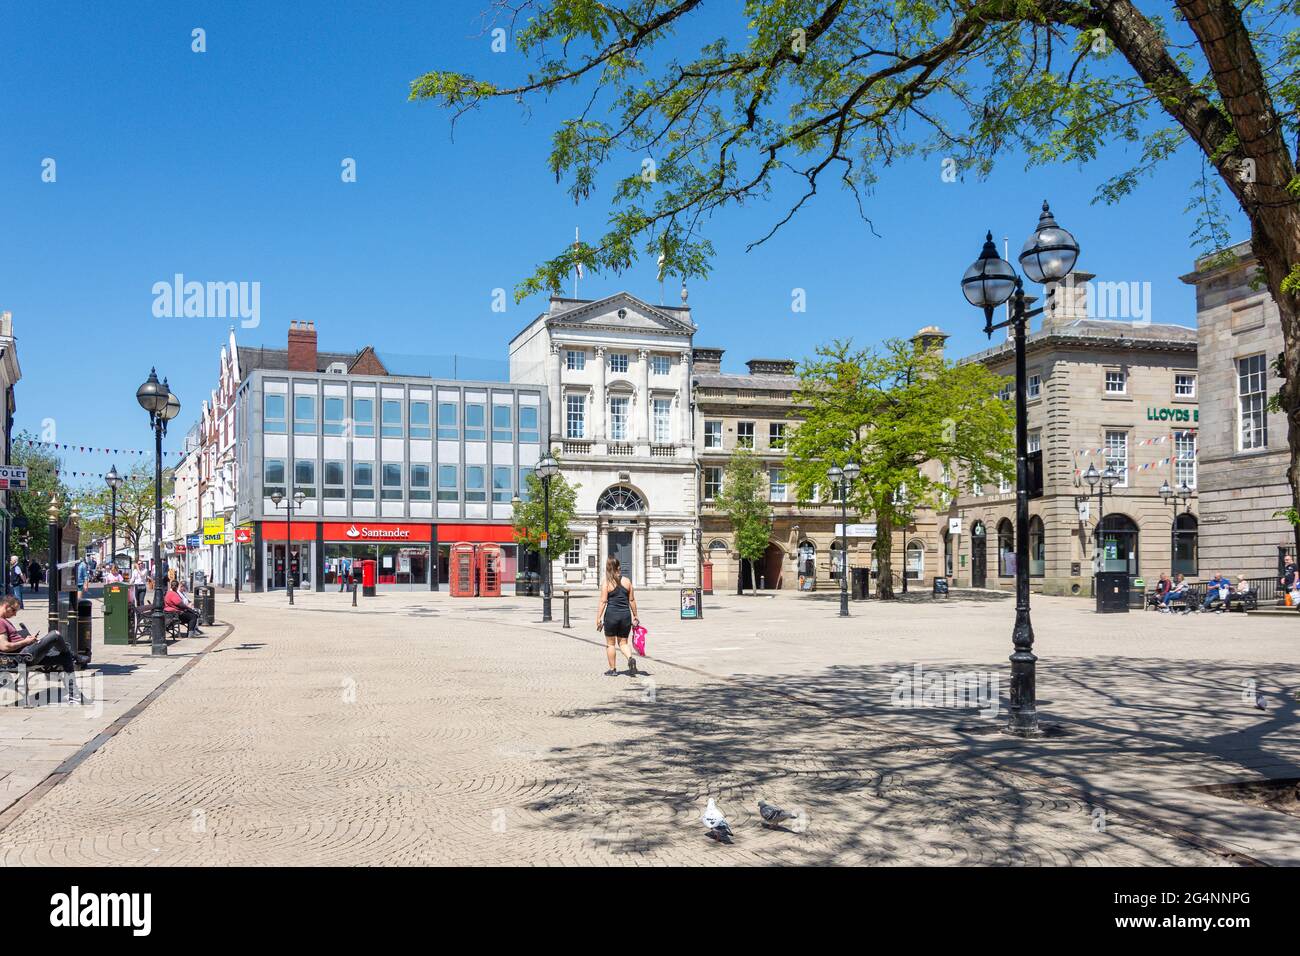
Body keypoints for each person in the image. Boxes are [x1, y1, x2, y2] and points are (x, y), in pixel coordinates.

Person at [0, 596, 84, 703]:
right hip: (23, 656)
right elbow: (4, 646)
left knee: (65, 657)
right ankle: (75, 656)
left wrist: (28, 639)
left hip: (27, 653)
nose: (15, 614)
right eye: (14, 610)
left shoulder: (4, 621)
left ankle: (74, 695)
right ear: (6, 606)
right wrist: (25, 642)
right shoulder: (1, 622)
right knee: (55, 635)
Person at [594, 557, 639, 676]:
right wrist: (635, 615)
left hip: (611, 616)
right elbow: (632, 600)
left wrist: (598, 617)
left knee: (610, 643)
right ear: (619, 567)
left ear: (608, 568)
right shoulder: (627, 581)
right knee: (623, 642)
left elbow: (603, 602)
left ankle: (612, 669)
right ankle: (630, 658)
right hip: (625, 615)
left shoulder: (607, 583)